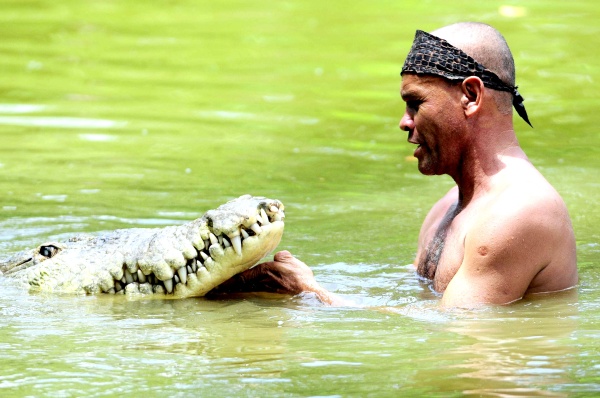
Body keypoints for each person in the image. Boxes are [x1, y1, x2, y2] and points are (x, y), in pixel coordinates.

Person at [215, 22, 578, 308]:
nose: (404, 122)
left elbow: (450, 333)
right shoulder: (448, 207)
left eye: (416, 104)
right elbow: (415, 304)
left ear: (470, 95)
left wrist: (312, 292)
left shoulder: (518, 213)